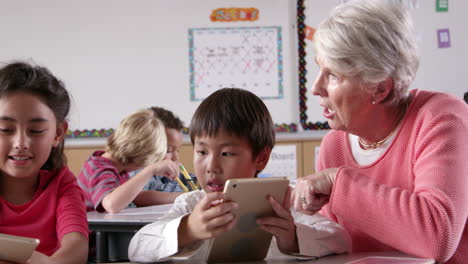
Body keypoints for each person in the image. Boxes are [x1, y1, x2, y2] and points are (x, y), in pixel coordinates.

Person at [292, 1, 468, 263]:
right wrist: (289, 232)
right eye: (320, 69)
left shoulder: (441, 118)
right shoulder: (333, 146)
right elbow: (336, 245)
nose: (316, 88)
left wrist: (338, 182)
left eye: (333, 76)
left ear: (379, 88)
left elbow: (437, 237)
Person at [128, 88, 351, 262]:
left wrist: (292, 237)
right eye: (202, 152)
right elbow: (137, 247)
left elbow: (340, 240)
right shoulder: (191, 204)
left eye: (226, 153)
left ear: (261, 158)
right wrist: (188, 229)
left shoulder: (281, 202)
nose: (211, 166)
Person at [0, 61, 88, 263]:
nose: (20, 143)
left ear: (58, 133)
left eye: (36, 131)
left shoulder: (61, 183)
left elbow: (76, 247)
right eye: (5, 129)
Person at [77, 108, 180, 214]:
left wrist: (182, 197)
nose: (144, 166)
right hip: (92, 229)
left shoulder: (119, 170)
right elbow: (112, 205)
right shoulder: (98, 166)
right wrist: (150, 171)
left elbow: (138, 196)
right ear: (139, 155)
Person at [129, 106, 198, 195]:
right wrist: (187, 196)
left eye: (177, 150)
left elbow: (185, 181)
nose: (175, 157)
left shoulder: (165, 173)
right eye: (168, 150)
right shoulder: (136, 170)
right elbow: (143, 195)